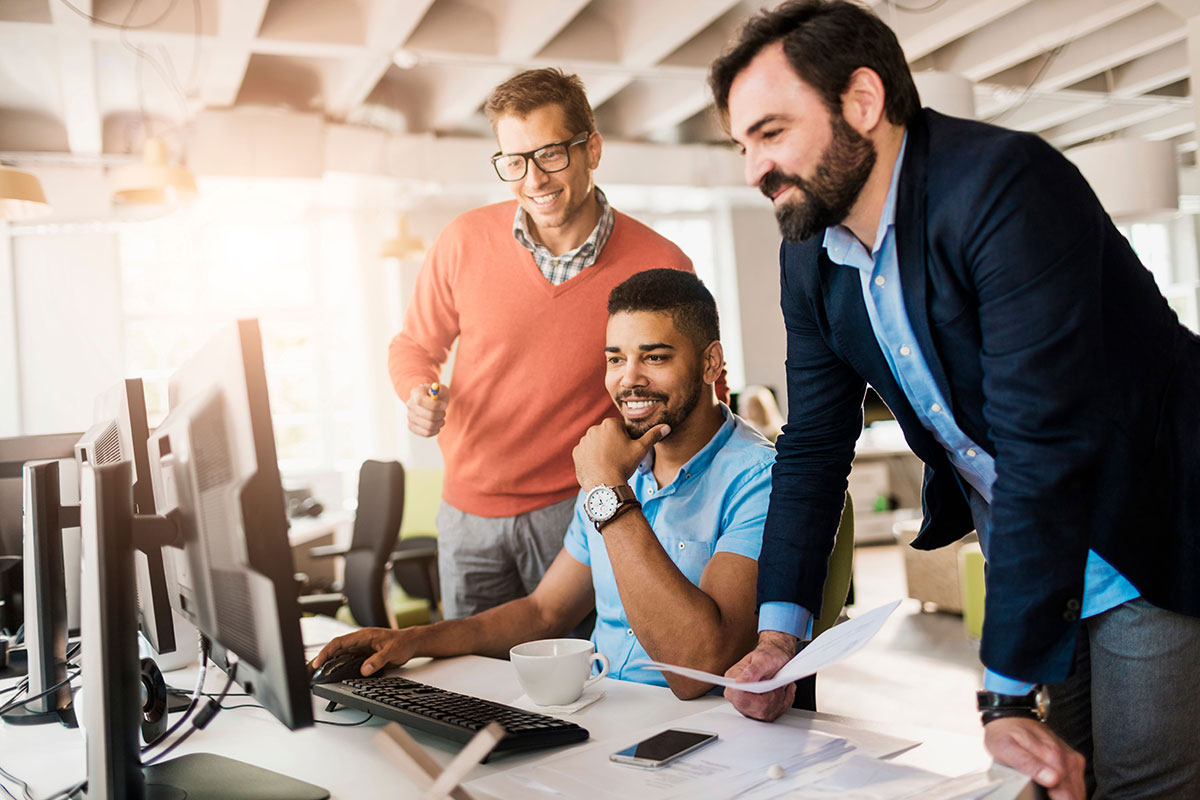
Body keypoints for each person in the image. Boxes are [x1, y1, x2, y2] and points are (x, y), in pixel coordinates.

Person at [708, 2, 1200, 799]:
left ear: (862, 103)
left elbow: (1041, 439)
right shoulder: (809, 254)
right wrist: (778, 639)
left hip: (1147, 512)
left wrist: (1001, 694)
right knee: (1044, 784)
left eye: (770, 133)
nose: (751, 169)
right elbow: (813, 448)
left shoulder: (1005, 186)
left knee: (1142, 785)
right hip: (1027, 543)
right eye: (741, 144)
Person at [317, 269, 774, 697]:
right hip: (601, 707)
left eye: (654, 357)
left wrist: (607, 490)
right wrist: (414, 640)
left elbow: (698, 667)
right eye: (615, 359)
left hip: (695, 735)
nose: (629, 380)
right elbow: (545, 612)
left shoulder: (757, 478)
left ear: (711, 361)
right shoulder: (613, 462)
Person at [388, 68, 699, 621]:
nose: (533, 179)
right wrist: (419, 392)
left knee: (582, 687)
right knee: (470, 691)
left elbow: (697, 396)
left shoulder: (662, 262)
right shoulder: (463, 241)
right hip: (467, 512)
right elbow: (414, 345)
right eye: (514, 161)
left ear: (591, 149)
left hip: (579, 510)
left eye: (551, 154)